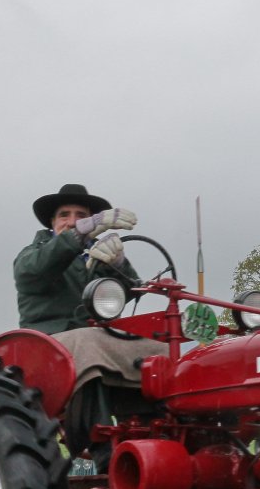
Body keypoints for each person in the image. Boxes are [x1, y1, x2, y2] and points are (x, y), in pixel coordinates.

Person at [14, 183, 164, 457]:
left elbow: (130, 290)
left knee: (158, 350)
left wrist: (118, 264)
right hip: (49, 344)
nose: (72, 221)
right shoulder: (33, 255)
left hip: (99, 337)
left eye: (81, 216)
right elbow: (34, 271)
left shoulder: (97, 256)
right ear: (52, 222)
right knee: (89, 345)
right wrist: (79, 235)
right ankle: (104, 450)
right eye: (65, 215)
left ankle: (157, 442)